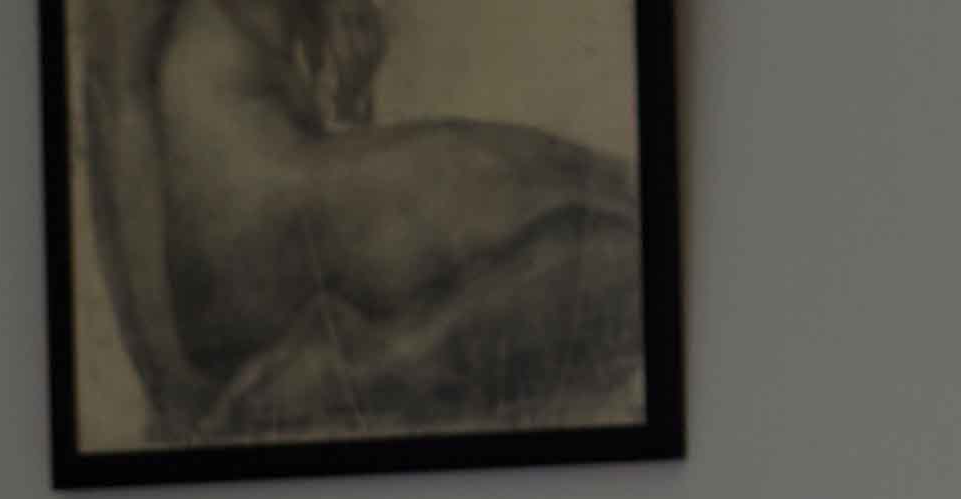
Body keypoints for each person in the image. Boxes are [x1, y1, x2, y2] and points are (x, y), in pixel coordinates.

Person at [82, 0, 646, 443]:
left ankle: (360, 370)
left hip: (293, 202)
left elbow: (340, 94)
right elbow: (115, 111)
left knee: (620, 256)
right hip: (253, 226)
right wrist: (168, 380)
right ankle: (348, 375)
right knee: (611, 211)